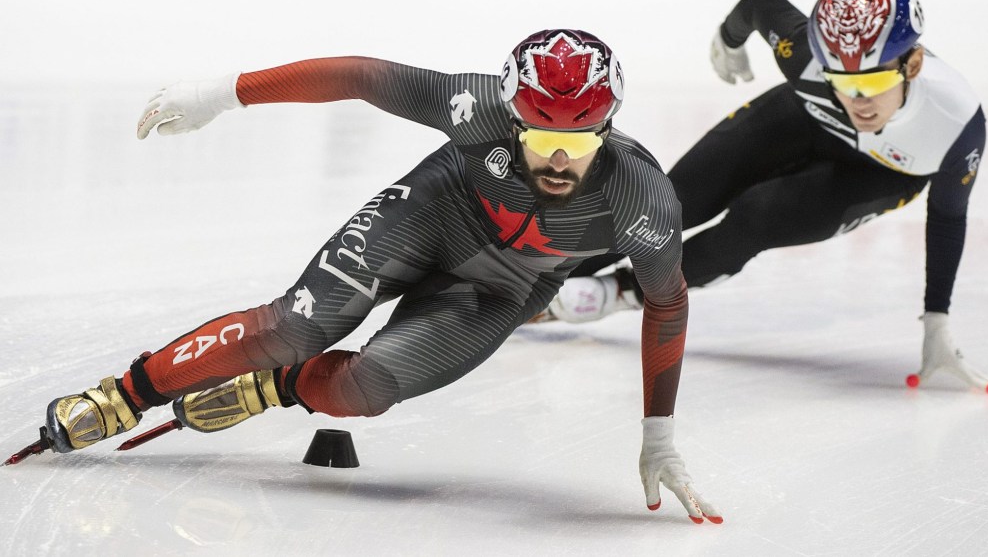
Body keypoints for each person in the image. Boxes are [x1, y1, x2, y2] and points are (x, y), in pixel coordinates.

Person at [30, 30, 721, 523]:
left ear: (609, 128)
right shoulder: (474, 106)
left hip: (503, 288)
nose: (560, 162)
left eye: (578, 143)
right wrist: (227, 94)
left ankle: (279, 388)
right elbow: (360, 76)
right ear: (511, 121)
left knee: (364, 391)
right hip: (432, 212)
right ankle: (125, 392)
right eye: (542, 141)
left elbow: (668, 302)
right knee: (293, 327)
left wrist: (658, 432)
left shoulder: (642, 200)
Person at [534, 0, 988, 395]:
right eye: (842, 82)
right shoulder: (807, 58)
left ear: (914, 64)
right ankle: (538, 274)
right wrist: (730, 38)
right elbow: (760, 1)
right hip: (805, 119)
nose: (858, 102)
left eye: (873, 83)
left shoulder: (955, 124)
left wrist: (936, 320)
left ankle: (614, 294)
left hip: (880, 172)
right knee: (671, 203)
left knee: (756, 219)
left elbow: (947, 216)